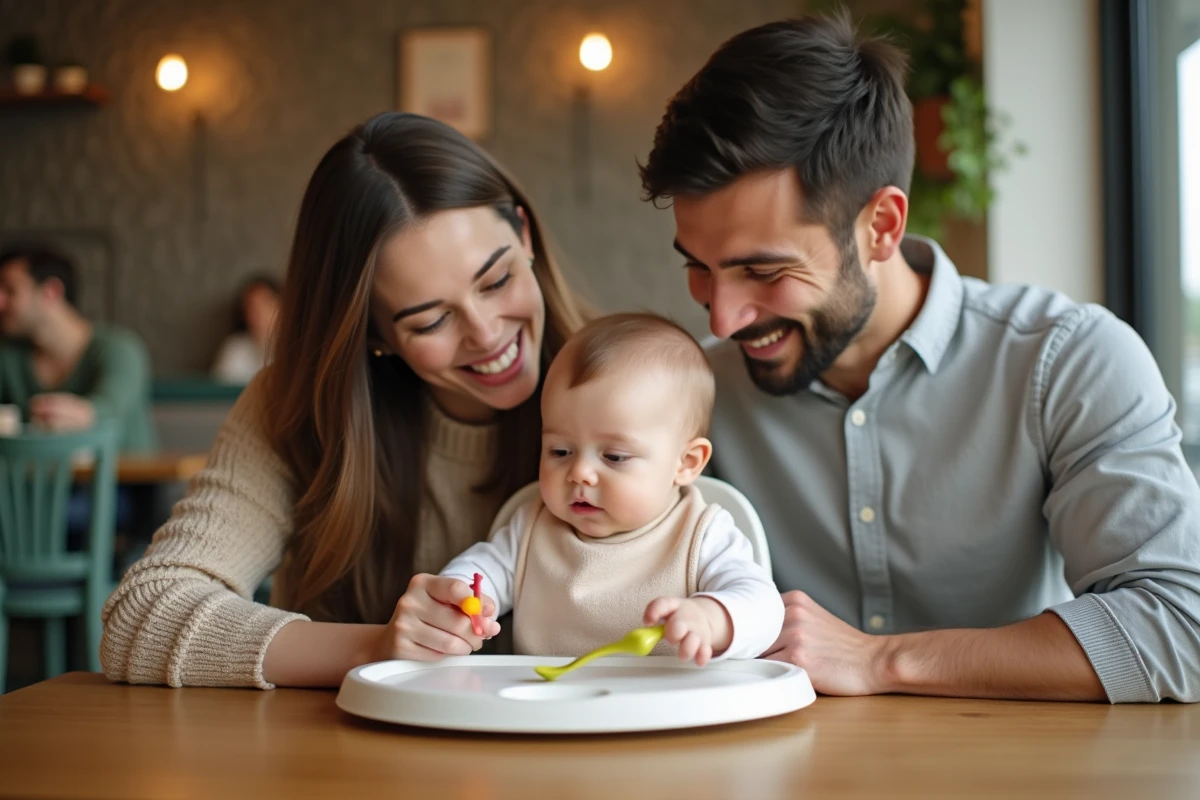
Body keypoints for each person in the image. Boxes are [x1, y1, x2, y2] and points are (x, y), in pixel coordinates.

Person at [638, 14, 1200, 702]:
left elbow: (1183, 625)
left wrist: (882, 660)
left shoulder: (1067, 360)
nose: (723, 317)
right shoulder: (691, 394)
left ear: (882, 226)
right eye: (699, 267)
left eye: (763, 271)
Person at [100, 112, 589, 689]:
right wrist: (378, 644)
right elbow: (142, 615)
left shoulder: (637, 386)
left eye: (496, 280)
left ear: (524, 236)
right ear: (375, 334)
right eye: (431, 320)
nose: (485, 333)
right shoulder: (298, 407)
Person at [395, 313, 783, 665]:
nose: (579, 472)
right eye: (559, 450)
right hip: (546, 711)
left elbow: (764, 605)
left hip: (669, 710)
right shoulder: (532, 524)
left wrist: (711, 617)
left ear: (686, 463)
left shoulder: (702, 533)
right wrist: (463, 597)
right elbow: (484, 568)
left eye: (614, 457)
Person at [0, 245, 156, 453]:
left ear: (51, 292)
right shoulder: (8, 355)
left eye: (10, 290)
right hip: (36, 481)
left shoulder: (119, 350)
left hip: (125, 480)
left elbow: (109, 409)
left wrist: (83, 415)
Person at [211, 274, 282, 384]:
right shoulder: (234, 350)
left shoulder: (294, 349)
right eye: (252, 308)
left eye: (265, 305)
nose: (259, 314)